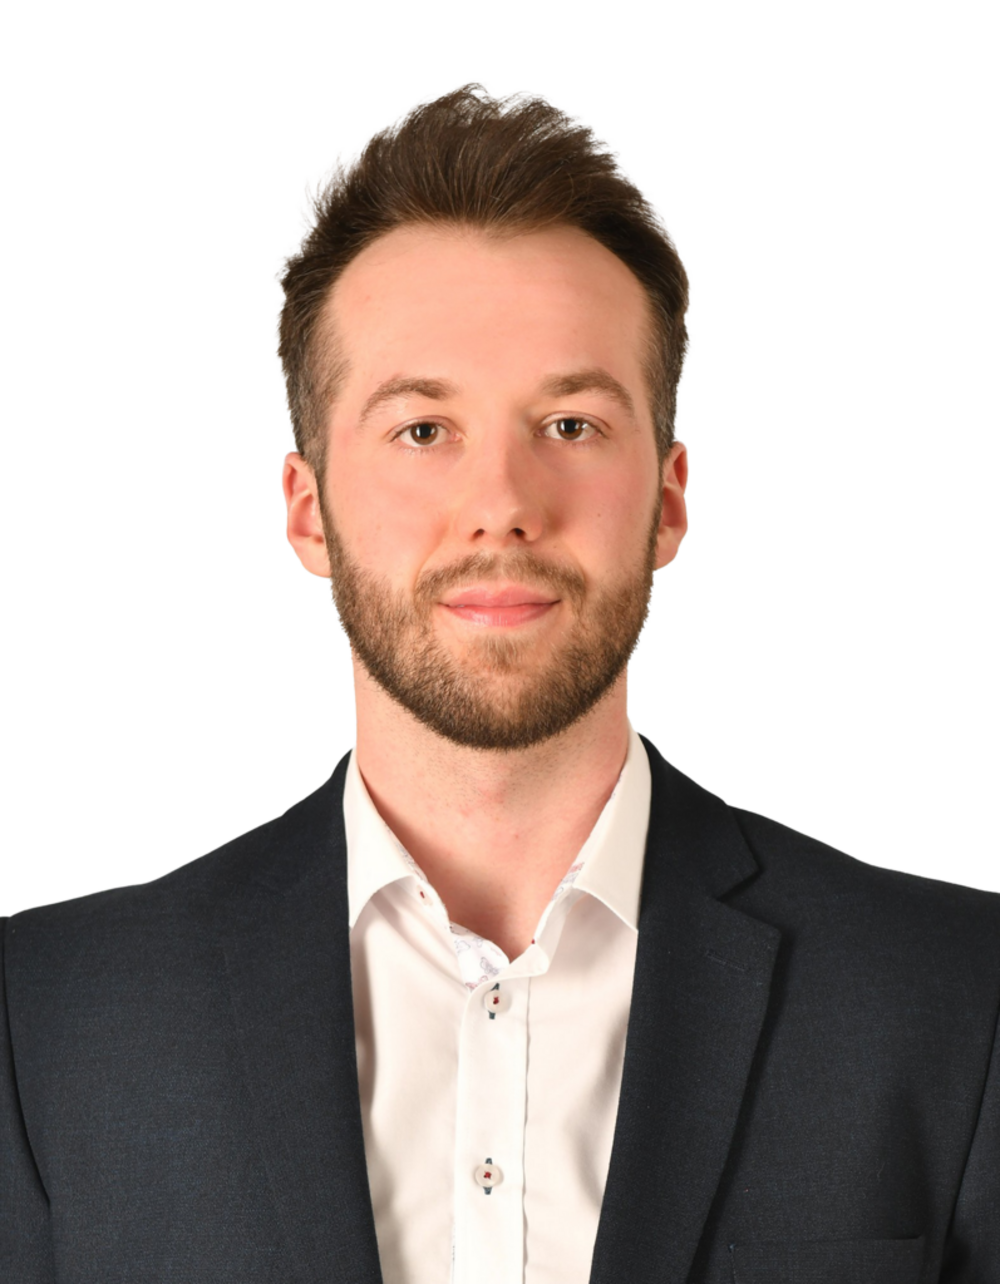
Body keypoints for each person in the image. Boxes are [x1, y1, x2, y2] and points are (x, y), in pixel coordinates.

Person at [1, 85, 997, 1284]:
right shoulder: (46, 1022)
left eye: (570, 425)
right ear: (309, 511)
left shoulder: (955, 1000)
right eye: (423, 431)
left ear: (667, 498)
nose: (502, 507)